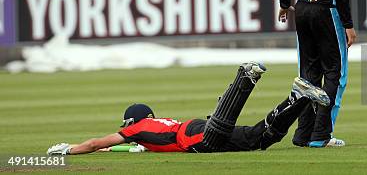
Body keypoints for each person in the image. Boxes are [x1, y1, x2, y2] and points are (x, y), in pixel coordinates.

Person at [47, 63, 331, 155]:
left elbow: (99, 142)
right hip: (191, 128)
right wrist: (112, 150)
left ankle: (245, 77)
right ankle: (298, 97)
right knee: (262, 139)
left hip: (194, 137)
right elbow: (119, 148)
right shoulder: (150, 129)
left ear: (131, 123)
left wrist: (68, 149)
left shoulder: (136, 130)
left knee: (218, 129)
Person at [278, 0, 357, 148]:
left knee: (308, 75)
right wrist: (348, 24)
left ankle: (303, 134)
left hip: (302, 9)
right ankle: (322, 134)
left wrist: (284, 3)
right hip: (327, 10)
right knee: (335, 73)